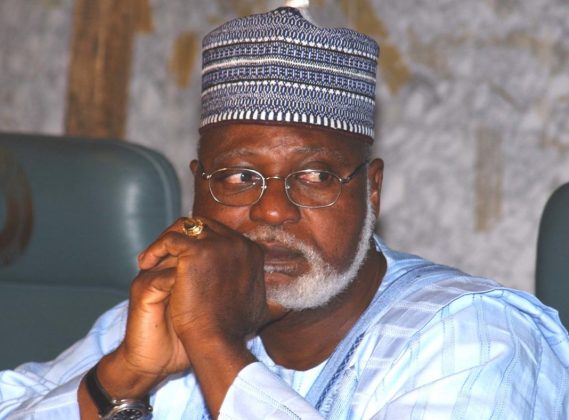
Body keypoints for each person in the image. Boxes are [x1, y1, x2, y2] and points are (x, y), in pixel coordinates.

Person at [1, 6, 568, 420]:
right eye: (239, 177)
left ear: (371, 192)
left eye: (315, 176)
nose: (272, 211)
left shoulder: (475, 340)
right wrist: (123, 377)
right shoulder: (169, 308)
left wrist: (215, 346)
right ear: (198, 191)